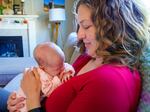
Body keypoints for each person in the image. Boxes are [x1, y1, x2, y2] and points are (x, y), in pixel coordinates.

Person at [6, 0, 150, 111]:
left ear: (112, 27)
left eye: (86, 26)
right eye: (79, 26)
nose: (79, 35)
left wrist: (32, 98)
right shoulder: (91, 56)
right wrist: (19, 100)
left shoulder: (108, 83)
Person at [16, 42, 75, 112]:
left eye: (62, 63)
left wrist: (68, 72)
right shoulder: (42, 76)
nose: (62, 68)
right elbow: (48, 91)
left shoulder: (57, 65)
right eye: (57, 68)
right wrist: (58, 79)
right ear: (42, 66)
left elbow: (67, 66)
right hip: (24, 102)